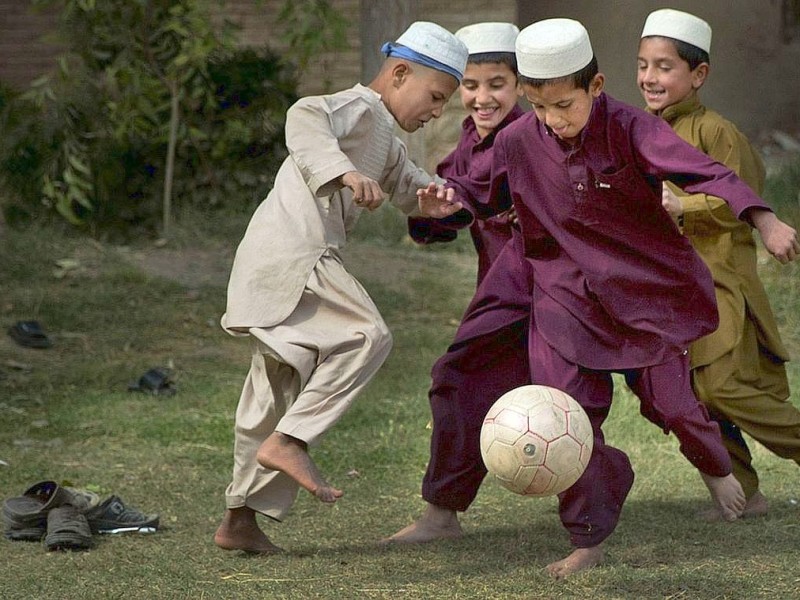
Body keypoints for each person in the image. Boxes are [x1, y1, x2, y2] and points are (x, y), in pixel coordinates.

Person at [417, 18, 799, 578]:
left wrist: (763, 220)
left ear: (595, 88)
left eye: (565, 107)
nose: (555, 122)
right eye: (541, 108)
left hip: (646, 295)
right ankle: (588, 537)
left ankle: (717, 467)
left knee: (675, 406)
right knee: (568, 417)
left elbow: (706, 172)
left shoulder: (631, 127)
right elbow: (475, 196)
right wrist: (440, 210)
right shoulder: (519, 140)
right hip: (564, 300)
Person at [213, 21, 468, 555]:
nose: (437, 112)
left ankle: (239, 520)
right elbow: (303, 116)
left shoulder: (386, 140)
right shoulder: (358, 109)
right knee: (365, 334)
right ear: (400, 73)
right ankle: (292, 441)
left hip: (276, 261)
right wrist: (346, 175)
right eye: (436, 97)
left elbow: (407, 184)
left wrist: (432, 198)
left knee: (273, 391)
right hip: (296, 254)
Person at [637, 8, 800, 520]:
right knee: (691, 392)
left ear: (697, 75)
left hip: (721, 280)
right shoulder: (641, 131)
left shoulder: (717, 131)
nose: (649, 77)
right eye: (643, 65)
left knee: (721, 384)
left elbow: (742, 198)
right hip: (672, 289)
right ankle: (747, 491)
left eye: (664, 67)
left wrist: (684, 205)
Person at [385, 22, 535, 544]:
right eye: (470, 85)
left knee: (459, 378)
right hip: (501, 295)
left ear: (522, 86)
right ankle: (441, 515)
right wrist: (432, 210)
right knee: (463, 385)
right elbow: (444, 216)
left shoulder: (530, 136)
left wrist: (456, 202)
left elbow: (475, 195)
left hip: (546, 294)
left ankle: (724, 477)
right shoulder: (466, 145)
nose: (481, 97)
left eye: (497, 84)